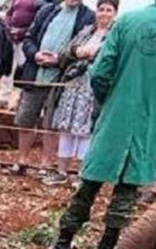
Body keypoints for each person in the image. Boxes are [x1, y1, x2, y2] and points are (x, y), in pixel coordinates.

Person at [47, 0, 156, 249]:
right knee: (128, 187)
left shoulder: (126, 21)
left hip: (115, 111)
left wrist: (108, 99)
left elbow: (100, 71)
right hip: (151, 116)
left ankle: (61, 244)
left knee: (90, 180)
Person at [9, 0, 92, 178]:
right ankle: (22, 160)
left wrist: (59, 59)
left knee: (52, 123)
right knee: (25, 118)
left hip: (61, 78)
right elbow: (29, 39)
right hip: (35, 73)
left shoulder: (88, 17)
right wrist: (35, 54)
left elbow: (83, 50)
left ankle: (46, 164)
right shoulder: (46, 10)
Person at [46, 0, 116, 184]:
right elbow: (66, 51)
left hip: (95, 87)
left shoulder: (116, 35)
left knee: (86, 130)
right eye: (101, 9)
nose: (104, 13)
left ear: (115, 13)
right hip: (73, 83)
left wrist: (96, 55)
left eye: (109, 10)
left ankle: (81, 173)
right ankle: (62, 171)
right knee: (66, 127)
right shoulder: (86, 31)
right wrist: (77, 51)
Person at [0, 0, 43, 107]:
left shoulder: (40, 2)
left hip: (26, 40)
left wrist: (23, 31)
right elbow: (9, 13)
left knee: (23, 70)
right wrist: (8, 28)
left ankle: (19, 100)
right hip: (11, 38)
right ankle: (3, 98)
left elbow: (39, 21)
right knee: (7, 68)